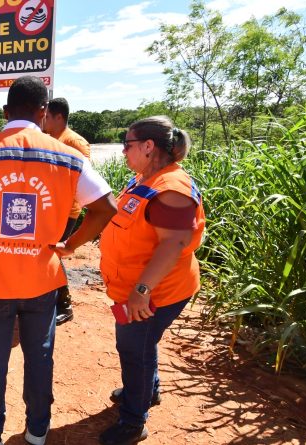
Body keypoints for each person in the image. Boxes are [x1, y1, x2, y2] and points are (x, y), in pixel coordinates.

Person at [0, 76, 117, 445]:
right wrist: (70, 245)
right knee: (40, 357)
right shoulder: (67, 156)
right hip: (41, 280)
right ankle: (37, 428)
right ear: (44, 112)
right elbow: (105, 207)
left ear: (5, 112)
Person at [97, 116, 205, 445]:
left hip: (155, 293)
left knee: (135, 351)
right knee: (143, 345)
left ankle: (133, 422)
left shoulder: (171, 188)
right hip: (140, 289)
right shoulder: (148, 178)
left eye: (127, 145)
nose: (123, 152)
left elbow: (173, 243)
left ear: (148, 146)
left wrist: (142, 291)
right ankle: (146, 391)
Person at [42, 97, 92, 326]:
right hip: (51, 208)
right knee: (48, 252)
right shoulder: (51, 139)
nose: (44, 120)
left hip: (66, 211)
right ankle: (52, 298)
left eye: (48, 116)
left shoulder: (75, 142)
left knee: (54, 253)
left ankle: (65, 304)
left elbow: (82, 179)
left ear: (59, 117)